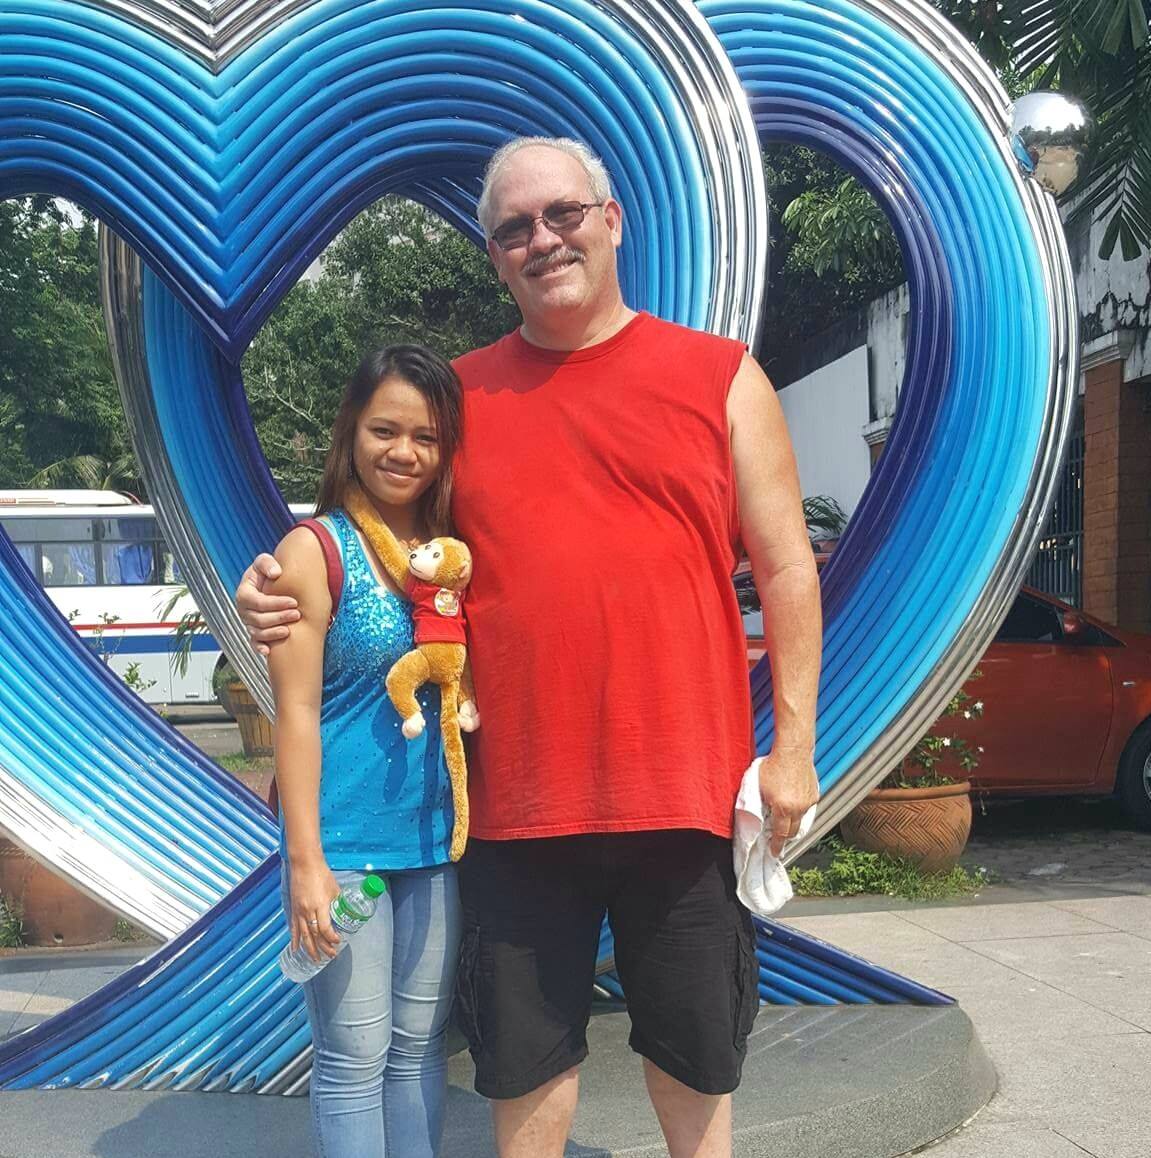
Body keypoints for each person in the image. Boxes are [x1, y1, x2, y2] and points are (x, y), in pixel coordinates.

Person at [239, 137, 822, 1158]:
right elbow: (383, 537)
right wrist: (278, 581)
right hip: (512, 807)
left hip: (679, 794)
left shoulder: (721, 378)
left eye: (561, 214)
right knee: (522, 1064)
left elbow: (786, 572)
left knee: (696, 1057)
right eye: (514, 228)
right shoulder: (458, 404)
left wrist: (795, 749)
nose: (541, 239)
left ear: (611, 219)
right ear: (494, 255)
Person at [268, 345, 464, 1157]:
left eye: (426, 436)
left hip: (435, 846)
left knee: (419, 1049)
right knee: (354, 1058)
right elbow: (294, 711)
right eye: (385, 430)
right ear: (351, 430)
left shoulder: (450, 554)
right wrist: (304, 863)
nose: (403, 452)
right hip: (346, 853)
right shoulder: (315, 549)